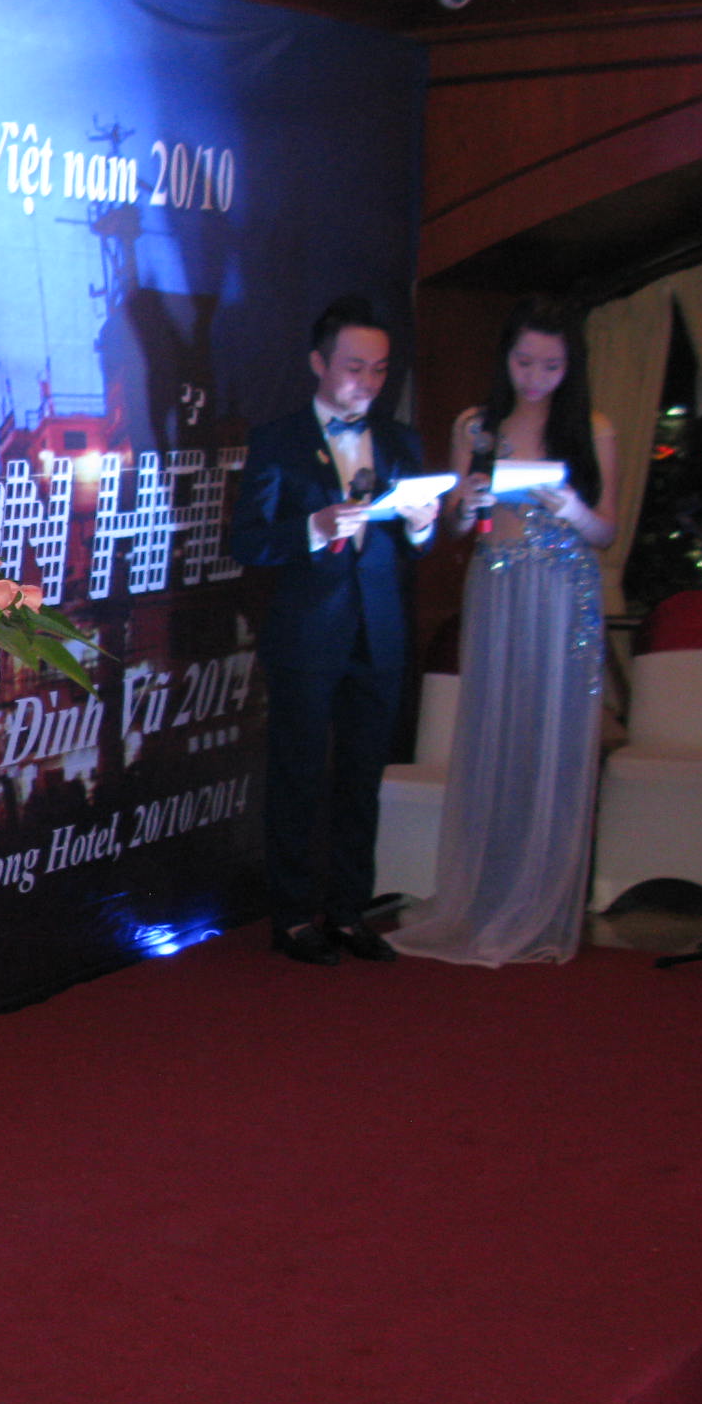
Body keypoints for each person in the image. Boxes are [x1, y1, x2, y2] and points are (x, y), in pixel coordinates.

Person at [390, 299, 616, 966]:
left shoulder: (592, 427)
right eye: (524, 362)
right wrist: (467, 503)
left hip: (565, 588)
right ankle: (485, 896)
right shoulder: (477, 424)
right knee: (494, 729)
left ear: (570, 367)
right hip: (497, 581)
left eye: (551, 365)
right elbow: (459, 527)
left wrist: (570, 507)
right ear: (505, 360)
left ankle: (541, 902)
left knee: (553, 736)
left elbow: (607, 529)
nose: (535, 377)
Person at [228, 296, 441, 965]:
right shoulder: (279, 439)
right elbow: (248, 541)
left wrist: (423, 526)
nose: (368, 382)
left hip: (380, 632)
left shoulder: (402, 442)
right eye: (354, 367)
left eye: (379, 370)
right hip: (306, 632)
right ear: (319, 364)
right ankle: (293, 916)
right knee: (297, 774)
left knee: (362, 777)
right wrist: (313, 529)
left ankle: (349, 910)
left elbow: (415, 545)